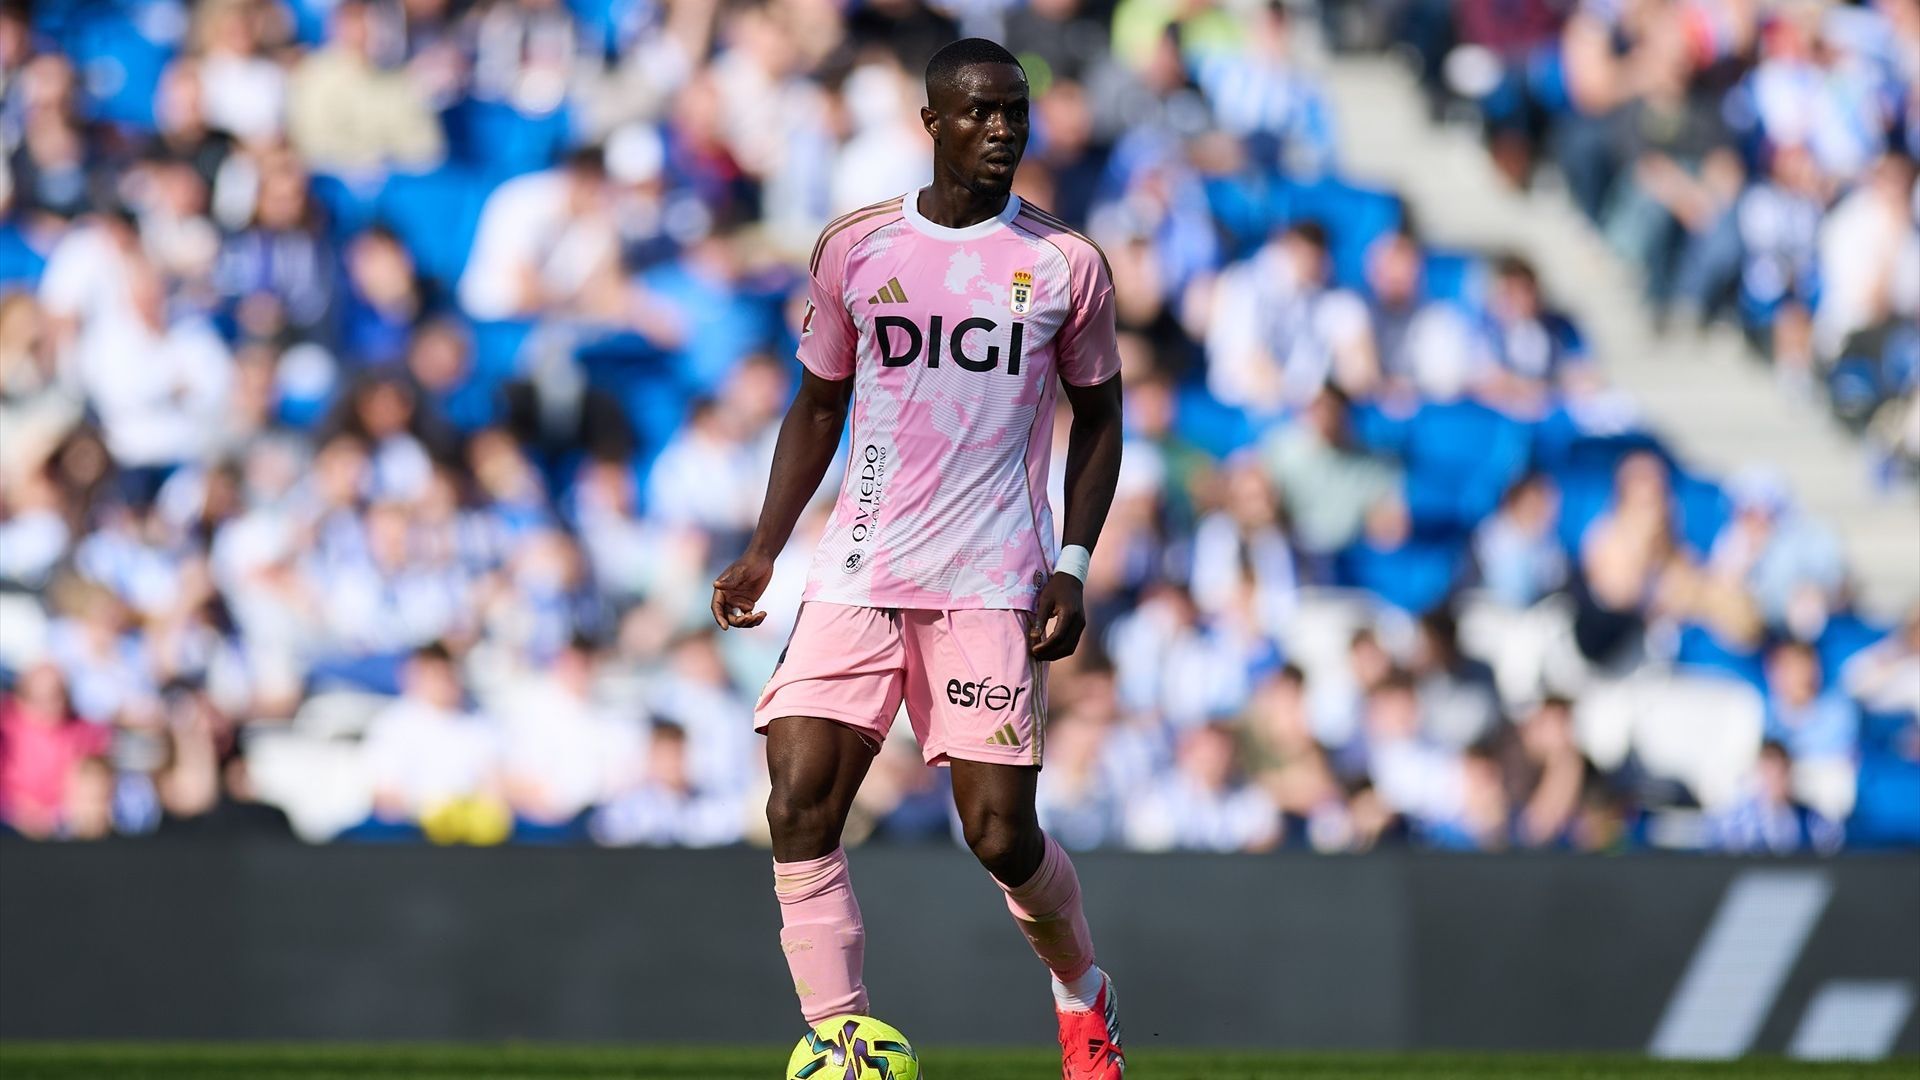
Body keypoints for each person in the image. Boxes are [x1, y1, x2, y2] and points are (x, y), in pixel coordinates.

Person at [708, 39, 1127, 1078]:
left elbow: (1103, 417)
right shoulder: (857, 250)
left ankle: (1082, 994)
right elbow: (818, 402)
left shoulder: (1064, 265)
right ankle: (843, 1037)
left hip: (991, 582)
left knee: (998, 837)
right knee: (799, 796)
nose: (1003, 132)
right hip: (859, 568)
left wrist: (1071, 561)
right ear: (931, 122)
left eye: (1016, 114)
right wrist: (766, 547)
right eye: (981, 113)